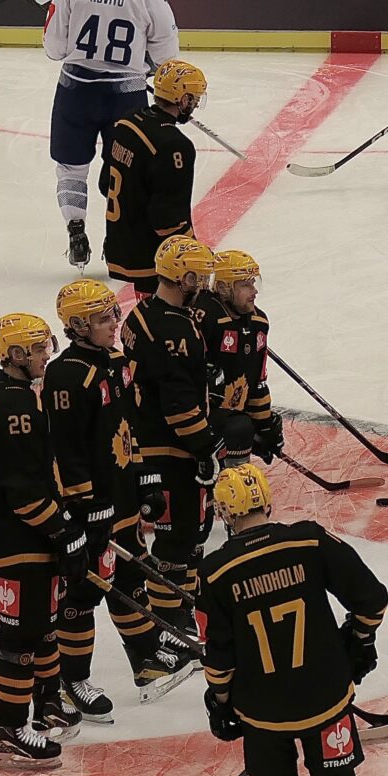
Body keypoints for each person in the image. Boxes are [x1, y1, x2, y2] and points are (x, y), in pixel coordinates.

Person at [196, 463, 388, 776]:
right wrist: (360, 638)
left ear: (224, 513)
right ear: (266, 501)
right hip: (325, 698)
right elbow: (372, 598)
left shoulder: (215, 571)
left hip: (262, 711)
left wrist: (219, 699)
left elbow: (218, 656)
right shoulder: (309, 540)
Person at [46, 278, 199, 723]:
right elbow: (66, 450)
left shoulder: (116, 362)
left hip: (122, 499)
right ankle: (71, 680)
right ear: (77, 326)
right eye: (103, 319)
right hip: (91, 507)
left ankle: (147, 659)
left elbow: (133, 427)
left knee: (131, 577)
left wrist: (146, 479)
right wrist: (86, 505)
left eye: (114, 314)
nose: (115, 323)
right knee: (84, 592)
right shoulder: (66, 375)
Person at [0, 313, 90, 767]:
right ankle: (10, 729)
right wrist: (62, 528)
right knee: (19, 637)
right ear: (15, 354)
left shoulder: (9, 396)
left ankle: (46, 703)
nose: (46, 355)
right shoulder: (13, 406)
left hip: (27, 533)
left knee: (42, 625)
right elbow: (22, 491)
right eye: (38, 349)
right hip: (18, 538)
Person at [41, 0, 180, 270]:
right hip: (126, 96)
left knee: (71, 169)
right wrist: (147, 66)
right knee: (126, 170)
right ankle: (117, 238)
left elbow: (54, 48)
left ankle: (76, 229)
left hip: (75, 91)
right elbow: (167, 54)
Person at [123, 236, 223, 632]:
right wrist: (205, 447)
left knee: (186, 536)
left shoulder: (142, 313)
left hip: (146, 440)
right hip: (170, 448)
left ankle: (182, 614)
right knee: (177, 540)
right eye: (200, 276)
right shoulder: (175, 329)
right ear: (185, 278)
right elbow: (179, 405)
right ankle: (172, 627)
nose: (204, 285)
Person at [100, 60, 205, 295]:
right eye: (194, 99)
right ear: (183, 99)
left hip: (120, 241)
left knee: (147, 307)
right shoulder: (174, 145)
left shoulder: (127, 121)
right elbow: (167, 218)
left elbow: (104, 183)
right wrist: (192, 250)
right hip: (152, 255)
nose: (195, 104)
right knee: (163, 310)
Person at [203, 249, 283, 469]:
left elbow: (257, 381)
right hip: (200, 418)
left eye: (253, 283)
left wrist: (264, 424)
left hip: (233, 412)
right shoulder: (204, 318)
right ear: (223, 288)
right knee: (239, 428)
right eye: (245, 285)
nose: (254, 291)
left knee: (246, 425)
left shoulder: (259, 323)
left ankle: (235, 477)